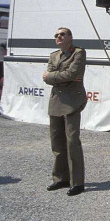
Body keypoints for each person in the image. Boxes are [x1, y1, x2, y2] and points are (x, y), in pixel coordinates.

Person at [42, 27, 87, 196]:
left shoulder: (79, 53)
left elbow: (73, 73)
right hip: (56, 101)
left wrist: (53, 76)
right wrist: (60, 77)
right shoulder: (54, 55)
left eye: (62, 34)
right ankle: (61, 178)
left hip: (72, 102)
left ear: (70, 37)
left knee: (72, 141)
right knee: (57, 142)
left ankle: (78, 183)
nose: (59, 37)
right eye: (56, 35)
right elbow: (52, 77)